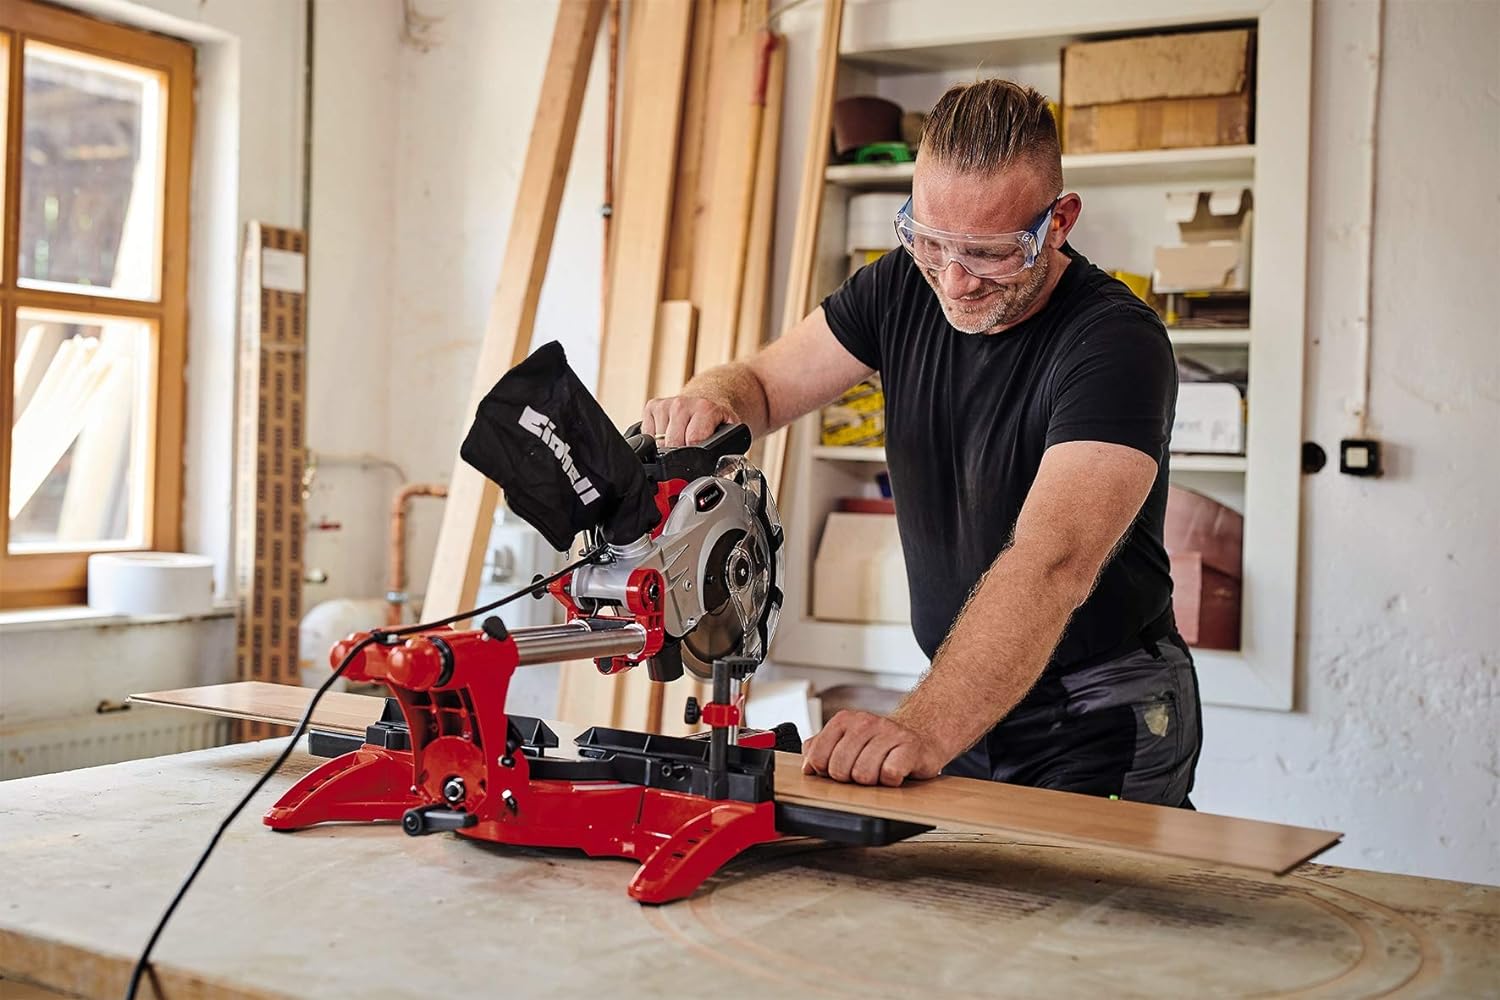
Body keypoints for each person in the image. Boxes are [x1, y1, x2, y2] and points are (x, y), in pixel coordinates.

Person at [640, 79, 1201, 806]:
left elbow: (1053, 561)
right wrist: (713, 400)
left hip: (1100, 709)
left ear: (1059, 222)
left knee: (1070, 887)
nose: (955, 281)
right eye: (931, 242)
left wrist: (923, 727)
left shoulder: (1116, 343)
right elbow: (763, 386)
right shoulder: (900, 286)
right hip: (969, 692)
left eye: (991, 253)